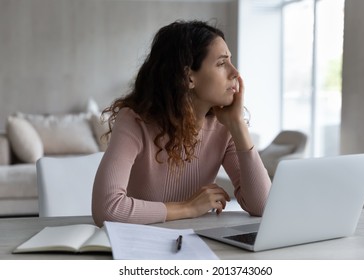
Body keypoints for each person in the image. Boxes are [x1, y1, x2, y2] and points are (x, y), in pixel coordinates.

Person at [92, 20, 271, 226]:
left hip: (199, 244)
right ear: (188, 78)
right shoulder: (134, 121)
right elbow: (106, 209)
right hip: (142, 246)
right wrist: (188, 208)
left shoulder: (224, 126)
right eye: (222, 63)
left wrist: (238, 125)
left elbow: (263, 206)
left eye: (230, 61)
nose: (235, 72)